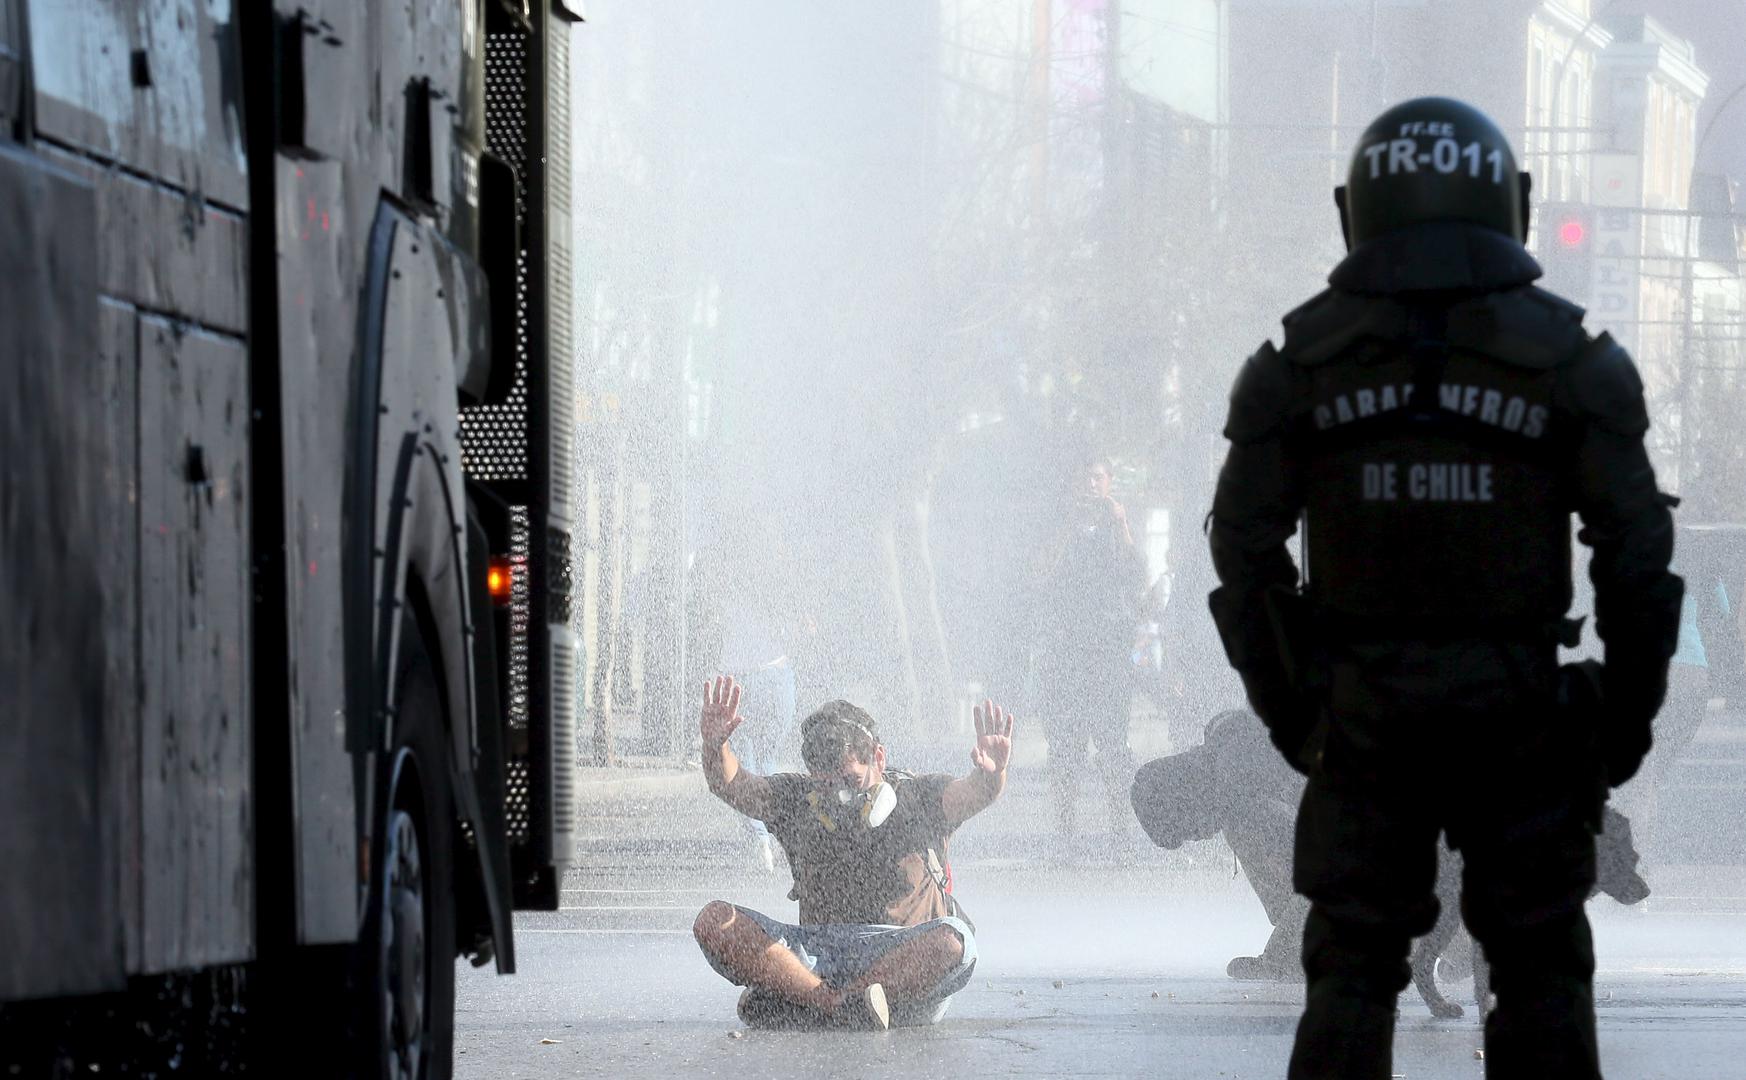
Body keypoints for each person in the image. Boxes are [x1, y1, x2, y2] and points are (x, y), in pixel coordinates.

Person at [1206, 97, 1682, 1078]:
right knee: (1542, 981)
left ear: (1354, 212)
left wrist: (1301, 710)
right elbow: (1638, 561)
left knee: (1349, 980)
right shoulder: (1576, 363)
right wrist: (1612, 725)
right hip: (1521, 717)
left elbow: (1243, 557)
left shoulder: (1297, 367)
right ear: (1515, 204)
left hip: (1362, 720)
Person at [692, 676, 1011, 1030]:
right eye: (825, 786)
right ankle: (834, 1003)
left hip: (899, 966)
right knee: (714, 921)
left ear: (878, 757)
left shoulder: (917, 799)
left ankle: (802, 1002)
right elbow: (733, 785)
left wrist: (992, 774)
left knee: (954, 941)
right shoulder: (797, 800)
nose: (839, 799)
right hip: (816, 959)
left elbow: (974, 794)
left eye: (850, 781)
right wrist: (715, 746)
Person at [1032, 455, 1146, 848]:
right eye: (1084, 479)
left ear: (1110, 482)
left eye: (1097, 478)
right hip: (1067, 654)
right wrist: (1068, 525)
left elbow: (1136, 576)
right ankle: (1065, 831)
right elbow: (1040, 574)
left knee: (1114, 743)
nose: (1091, 486)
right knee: (1066, 744)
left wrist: (1122, 524)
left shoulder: (1118, 525)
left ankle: (1120, 828)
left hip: (1109, 654)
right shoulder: (1058, 524)